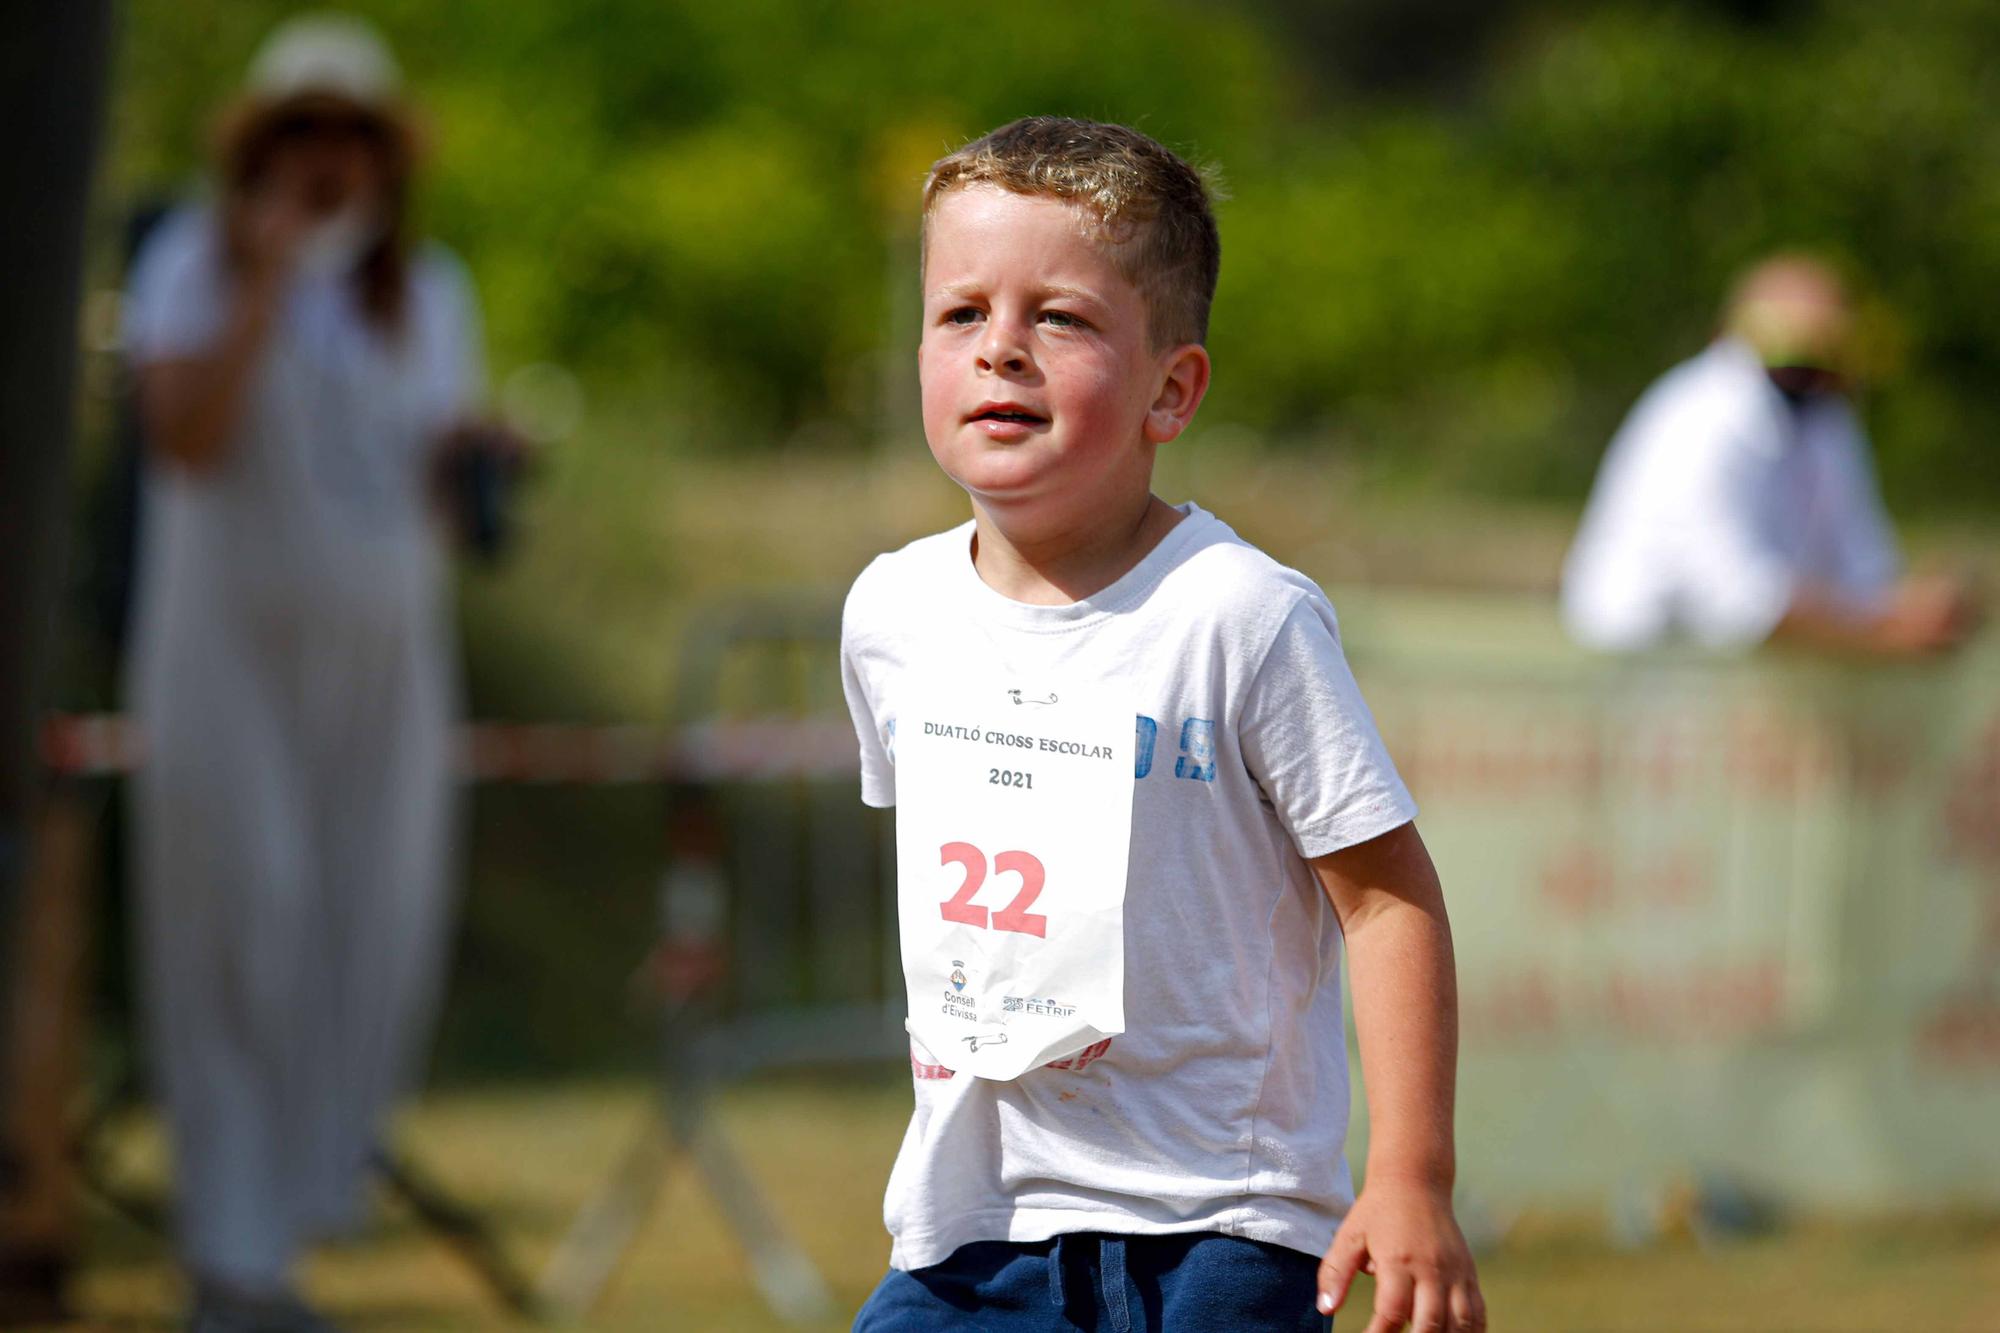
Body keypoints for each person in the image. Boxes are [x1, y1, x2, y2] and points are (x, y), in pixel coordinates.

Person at [840, 118, 1484, 1333]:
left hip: (1213, 1236)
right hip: (966, 1237)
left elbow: (1387, 900)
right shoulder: (890, 613)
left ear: (1170, 389)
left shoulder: (1239, 615)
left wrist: (1409, 1177)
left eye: (1062, 318)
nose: (1002, 352)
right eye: (960, 312)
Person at [121, 15, 507, 1331]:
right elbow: (181, 439)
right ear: (265, 151)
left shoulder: (432, 292)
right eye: (306, 136)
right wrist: (264, 284)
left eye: (351, 137)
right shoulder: (191, 265)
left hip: (384, 675)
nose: (331, 161)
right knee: (242, 924)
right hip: (227, 671)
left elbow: (428, 498)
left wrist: (481, 466)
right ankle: (225, 1261)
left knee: (363, 925)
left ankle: (278, 1236)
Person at [1561, 255, 1978, 655]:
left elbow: (1863, 570)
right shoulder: (1704, 415)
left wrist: (1910, 610)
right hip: (1641, 672)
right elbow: (1737, 604)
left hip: (1730, 682)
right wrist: (1885, 632)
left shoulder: (1826, 421)